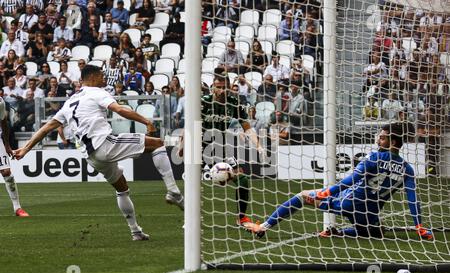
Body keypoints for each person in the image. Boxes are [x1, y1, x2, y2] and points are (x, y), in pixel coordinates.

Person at [13, 65, 184, 241]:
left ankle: (135, 231)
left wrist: (26, 148)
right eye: (102, 76)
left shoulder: (70, 101)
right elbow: (119, 110)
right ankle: (173, 191)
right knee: (157, 144)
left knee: (122, 189)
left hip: (92, 157)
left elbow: (48, 126)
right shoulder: (96, 92)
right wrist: (146, 121)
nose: (105, 79)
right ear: (93, 77)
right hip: (105, 144)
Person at [244, 123, 433, 241]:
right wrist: (419, 225)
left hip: (348, 202)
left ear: (393, 141)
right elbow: (413, 200)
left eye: (382, 137)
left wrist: (329, 191)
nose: (378, 139)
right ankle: (339, 232)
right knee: (377, 232)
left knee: (302, 196)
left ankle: (263, 227)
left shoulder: (375, 157)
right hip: (370, 211)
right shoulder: (407, 169)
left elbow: (352, 179)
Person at [177, 74, 266, 227]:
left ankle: (242, 218)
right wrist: (182, 145)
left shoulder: (234, 103)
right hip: (200, 146)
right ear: (213, 87)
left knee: (242, 179)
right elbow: (189, 126)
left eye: (224, 87)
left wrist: (258, 145)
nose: (221, 90)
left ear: (229, 88)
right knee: (193, 183)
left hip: (221, 147)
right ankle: (190, 219)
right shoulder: (203, 103)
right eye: (218, 87)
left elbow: (247, 127)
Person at [0, 97, 30, 217]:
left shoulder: (0, 102)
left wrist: (7, 145)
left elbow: (3, 122)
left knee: (6, 172)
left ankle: (17, 208)